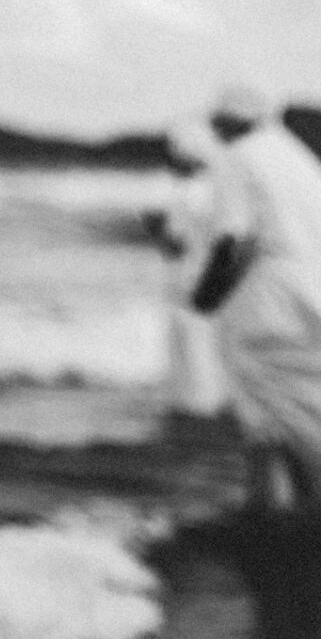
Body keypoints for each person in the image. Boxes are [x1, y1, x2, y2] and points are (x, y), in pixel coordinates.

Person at [188, 84, 321, 511]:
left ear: (230, 121)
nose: (213, 129)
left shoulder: (237, 158)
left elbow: (231, 241)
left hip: (271, 297)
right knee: (308, 417)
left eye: (216, 120)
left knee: (267, 425)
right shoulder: (303, 160)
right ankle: (309, 521)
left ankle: (268, 528)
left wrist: (203, 299)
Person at [144, 118, 229, 420]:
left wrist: (154, 229)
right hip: (214, 278)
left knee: (188, 347)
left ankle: (195, 407)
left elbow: (173, 243)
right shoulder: (218, 191)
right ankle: (214, 402)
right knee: (210, 345)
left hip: (184, 277)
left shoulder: (183, 192)